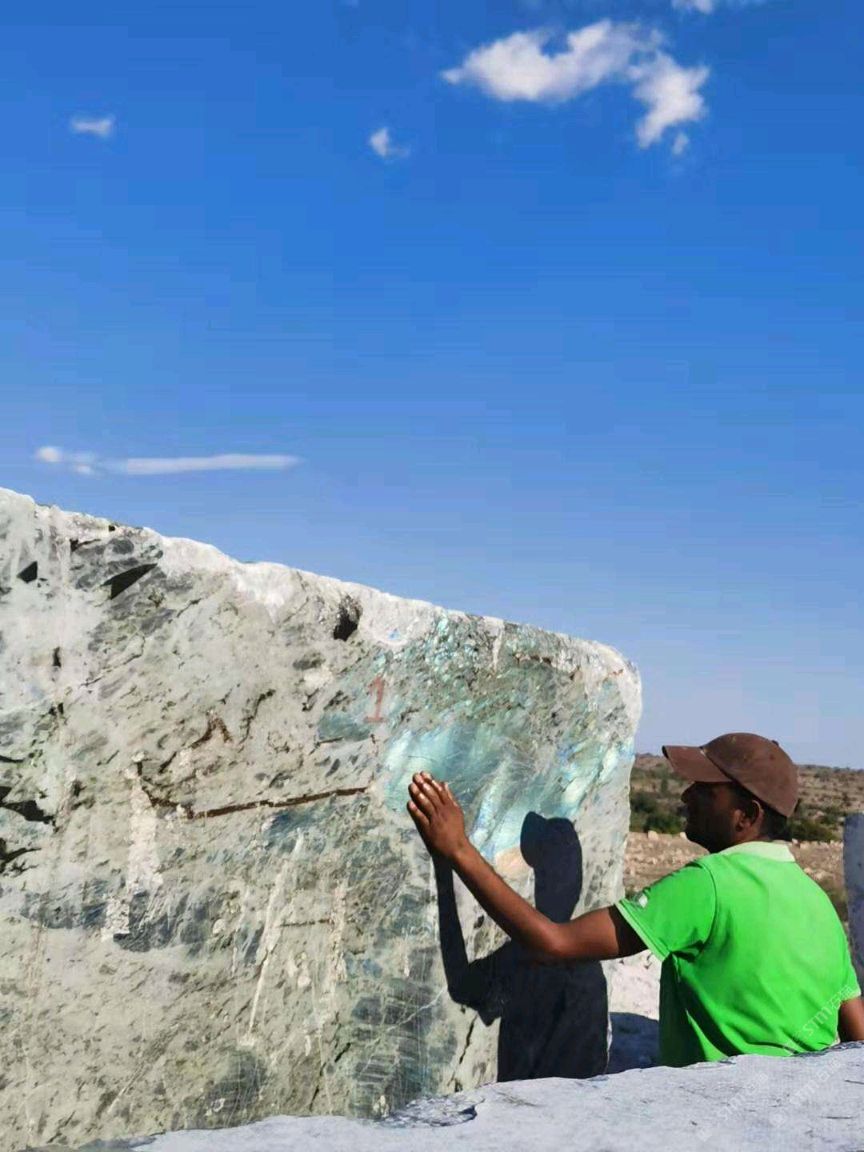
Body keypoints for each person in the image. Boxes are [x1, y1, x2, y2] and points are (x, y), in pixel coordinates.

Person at [407, 731, 864, 1066]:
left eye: (706, 791)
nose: (686, 795)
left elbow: (554, 944)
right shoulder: (818, 903)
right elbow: (856, 1032)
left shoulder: (708, 884)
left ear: (746, 815)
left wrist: (458, 850)